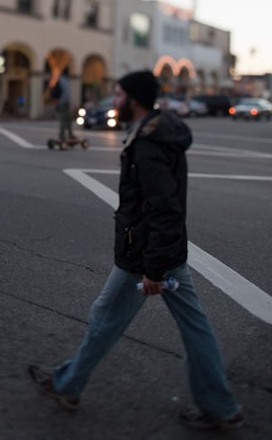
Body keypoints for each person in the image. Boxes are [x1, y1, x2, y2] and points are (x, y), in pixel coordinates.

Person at [28, 70, 243, 430]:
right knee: (194, 327)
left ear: (134, 99)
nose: (114, 101)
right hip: (165, 252)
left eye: (118, 95)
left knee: (105, 317)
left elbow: (164, 208)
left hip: (144, 254)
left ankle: (67, 384)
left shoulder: (148, 144)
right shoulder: (161, 129)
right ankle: (219, 406)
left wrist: (153, 271)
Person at [52, 71, 75, 142]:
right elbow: (67, 95)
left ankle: (69, 135)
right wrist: (70, 104)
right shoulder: (65, 81)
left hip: (60, 102)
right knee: (66, 120)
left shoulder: (59, 80)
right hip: (64, 103)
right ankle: (64, 136)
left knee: (66, 119)